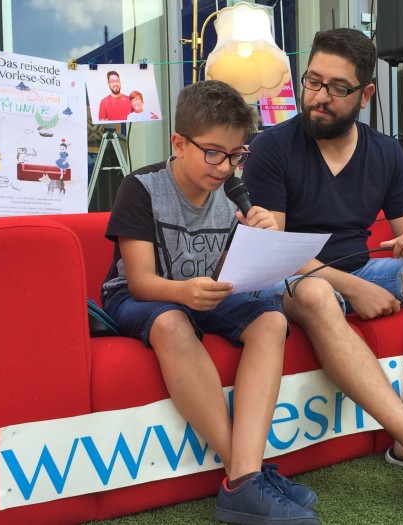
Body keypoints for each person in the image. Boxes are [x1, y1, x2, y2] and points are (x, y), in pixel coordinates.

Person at [241, 28, 403, 518]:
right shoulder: (272, 148)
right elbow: (272, 249)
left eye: (337, 88)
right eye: (312, 81)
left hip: (357, 266)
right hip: (291, 278)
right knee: (318, 294)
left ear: (366, 94)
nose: (318, 97)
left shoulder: (385, 152)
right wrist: (350, 285)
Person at [101, 80, 320, 525]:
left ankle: (246, 478)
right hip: (142, 297)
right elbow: (141, 280)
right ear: (179, 143)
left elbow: (224, 273)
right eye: (214, 152)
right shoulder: (140, 188)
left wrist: (259, 241)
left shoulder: (233, 197)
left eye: (237, 155)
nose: (225, 168)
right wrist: (183, 292)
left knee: (271, 322)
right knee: (170, 323)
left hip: (202, 293)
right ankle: (245, 478)